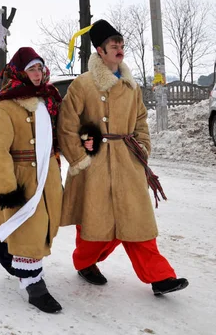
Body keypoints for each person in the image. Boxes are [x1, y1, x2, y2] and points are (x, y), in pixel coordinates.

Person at [58, 19, 188, 296]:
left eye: (121, 44)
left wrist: (142, 147)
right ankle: (85, 262)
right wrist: (81, 159)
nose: (119, 49)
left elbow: (141, 120)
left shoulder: (131, 86)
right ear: (100, 51)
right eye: (113, 45)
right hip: (95, 162)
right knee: (96, 223)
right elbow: (67, 125)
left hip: (128, 161)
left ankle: (161, 277)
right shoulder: (82, 85)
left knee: (136, 221)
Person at [0, 47, 64, 313]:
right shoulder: (5, 105)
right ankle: (34, 286)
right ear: (20, 71)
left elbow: (59, 137)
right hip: (22, 178)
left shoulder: (48, 101)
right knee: (29, 231)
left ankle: (6, 252)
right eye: (31, 68)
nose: (37, 73)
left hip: (47, 176)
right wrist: (8, 189)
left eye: (39, 68)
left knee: (42, 229)